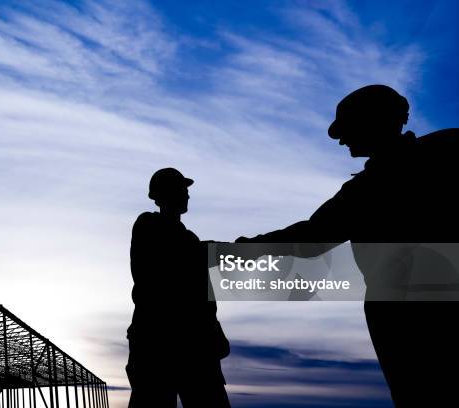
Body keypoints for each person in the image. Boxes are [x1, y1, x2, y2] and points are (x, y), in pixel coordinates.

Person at [237, 85, 458, 406]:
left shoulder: (372, 187)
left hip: (407, 316)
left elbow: (312, 237)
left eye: (348, 129)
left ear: (372, 123)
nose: (341, 140)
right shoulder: (446, 147)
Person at [127, 168, 231, 408]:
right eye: (181, 190)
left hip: (195, 349)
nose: (187, 196)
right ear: (162, 195)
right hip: (158, 349)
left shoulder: (189, 238)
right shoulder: (148, 225)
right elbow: (175, 262)